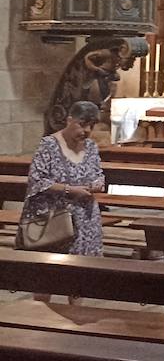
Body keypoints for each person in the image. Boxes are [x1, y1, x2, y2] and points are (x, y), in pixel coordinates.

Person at [22, 100, 106, 257]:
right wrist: (70, 190)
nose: (87, 130)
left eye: (91, 126)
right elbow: (36, 180)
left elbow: (98, 173)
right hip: (55, 220)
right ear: (69, 120)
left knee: (89, 270)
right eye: (82, 124)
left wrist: (98, 183)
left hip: (86, 220)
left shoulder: (91, 147)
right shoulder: (49, 145)